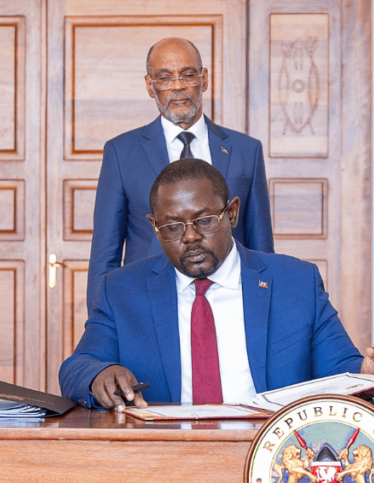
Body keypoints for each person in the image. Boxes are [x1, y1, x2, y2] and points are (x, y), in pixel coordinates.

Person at [60, 159, 374, 483]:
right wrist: (98, 374)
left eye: (203, 221)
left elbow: (344, 373)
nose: (189, 237)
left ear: (231, 213)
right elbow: (77, 366)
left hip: (266, 475)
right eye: (172, 226)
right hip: (154, 476)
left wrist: (367, 378)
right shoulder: (123, 289)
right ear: (154, 227)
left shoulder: (294, 282)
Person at [88, 37, 273, 313]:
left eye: (187, 75)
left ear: (204, 79)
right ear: (150, 86)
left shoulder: (246, 150)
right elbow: (105, 253)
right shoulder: (121, 153)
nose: (177, 87)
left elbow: (262, 248)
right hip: (149, 301)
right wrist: (102, 323)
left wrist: (266, 307)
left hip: (232, 302)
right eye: (165, 78)